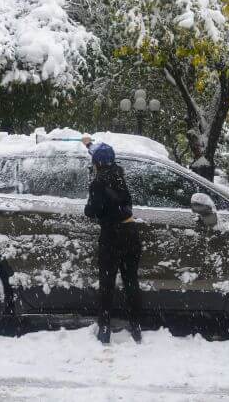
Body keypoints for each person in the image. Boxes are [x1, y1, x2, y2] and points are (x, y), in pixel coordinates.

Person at [84, 142, 143, 345]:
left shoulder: (98, 183)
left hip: (111, 236)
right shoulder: (120, 175)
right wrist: (89, 144)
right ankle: (136, 326)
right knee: (131, 281)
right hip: (131, 232)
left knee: (107, 283)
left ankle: (105, 327)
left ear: (97, 163)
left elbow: (91, 211)